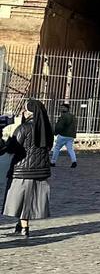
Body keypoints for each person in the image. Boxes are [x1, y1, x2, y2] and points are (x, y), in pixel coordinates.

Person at [3, 100, 55, 239]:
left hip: (22, 170)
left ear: (29, 112)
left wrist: (6, 141)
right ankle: (21, 224)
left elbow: (12, 147)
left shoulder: (23, 128)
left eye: (24, 110)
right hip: (41, 170)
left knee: (21, 199)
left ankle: (25, 228)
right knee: (30, 199)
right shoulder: (47, 129)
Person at [49, 101, 78, 169]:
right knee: (70, 149)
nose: (61, 109)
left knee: (56, 148)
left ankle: (53, 162)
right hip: (71, 136)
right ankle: (74, 161)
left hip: (63, 135)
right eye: (61, 107)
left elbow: (60, 126)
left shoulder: (63, 116)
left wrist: (55, 132)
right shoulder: (73, 116)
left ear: (67, 108)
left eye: (63, 107)